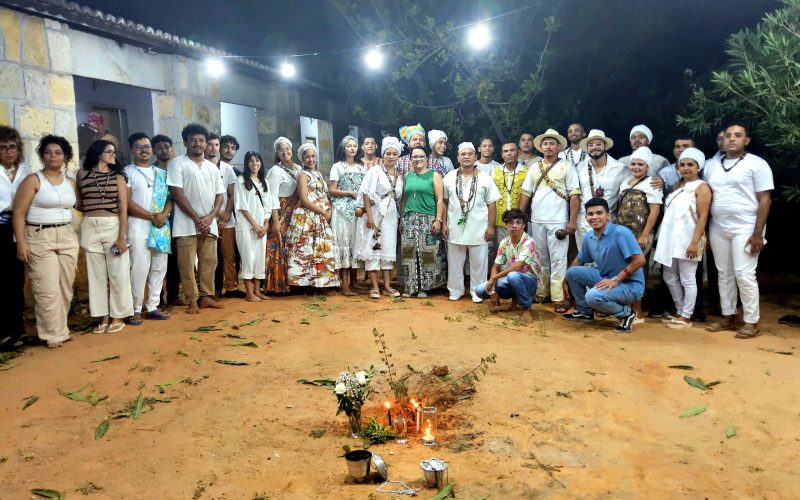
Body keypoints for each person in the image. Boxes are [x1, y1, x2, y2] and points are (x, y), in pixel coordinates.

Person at [704, 123, 773, 339]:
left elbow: (765, 199)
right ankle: (728, 316)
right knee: (724, 274)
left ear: (747, 140)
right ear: (721, 140)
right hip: (718, 227)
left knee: (744, 274)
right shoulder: (711, 165)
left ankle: (751, 321)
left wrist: (757, 233)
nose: (732, 139)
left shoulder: (757, 164)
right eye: (727, 136)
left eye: (737, 135)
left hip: (746, 227)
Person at [13, 135, 79, 348]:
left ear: (65, 156)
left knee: (65, 286)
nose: (53, 156)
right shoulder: (33, 180)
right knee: (46, 287)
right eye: (48, 152)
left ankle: (61, 328)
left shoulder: (70, 182)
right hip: (40, 237)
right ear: (42, 156)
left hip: (67, 235)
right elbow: (19, 213)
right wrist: (21, 243)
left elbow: (80, 206)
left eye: (58, 152)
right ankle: (52, 333)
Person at [518, 129, 580, 312]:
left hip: (558, 220)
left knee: (558, 259)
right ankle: (541, 291)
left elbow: (574, 195)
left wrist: (572, 221)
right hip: (537, 220)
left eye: (552, 143)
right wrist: (520, 218)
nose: (548, 146)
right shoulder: (535, 167)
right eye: (545, 143)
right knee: (540, 258)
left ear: (559, 146)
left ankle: (559, 297)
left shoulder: (567, 166)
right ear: (541, 147)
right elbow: (526, 193)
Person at [563, 198, 646, 333]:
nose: (594, 217)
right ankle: (584, 312)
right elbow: (580, 259)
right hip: (605, 277)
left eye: (599, 213)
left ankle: (626, 314)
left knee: (592, 296)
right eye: (590, 214)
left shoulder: (621, 232)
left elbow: (640, 260)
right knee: (572, 272)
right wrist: (566, 279)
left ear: (608, 215)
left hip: (629, 285)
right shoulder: (589, 236)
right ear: (586, 217)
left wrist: (615, 280)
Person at [167, 123, 225, 314]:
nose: (197, 144)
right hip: (185, 224)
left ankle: (206, 297)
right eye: (193, 140)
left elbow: (220, 195)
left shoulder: (212, 167)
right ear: (185, 142)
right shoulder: (177, 163)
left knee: (209, 262)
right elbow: (177, 193)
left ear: (206, 143)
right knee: (186, 263)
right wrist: (197, 218)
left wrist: (209, 218)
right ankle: (191, 299)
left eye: (201, 140)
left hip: (209, 224)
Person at [76, 140, 133, 333]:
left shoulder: (118, 177)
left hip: (112, 225)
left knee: (118, 273)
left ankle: (119, 315)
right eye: (109, 151)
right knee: (96, 275)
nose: (113, 155)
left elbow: (123, 208)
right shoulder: (81, 174)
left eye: (114, 152)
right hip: (89, 226)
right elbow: (79, 202)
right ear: (98, 152)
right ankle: (103, 316)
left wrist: (121, 237)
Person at [654, 148, 712, 329]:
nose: (686, 168)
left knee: (688, 278)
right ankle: (679, 310)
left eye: (690, 165)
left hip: (688, 238)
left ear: (698, 167)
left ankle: (687, 316)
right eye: (683, 165)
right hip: (670, 238)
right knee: (669, 277)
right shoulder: (677, 187)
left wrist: (694, 242)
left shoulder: (702, 187)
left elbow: (703, 216)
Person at [442, 142, 501, 302]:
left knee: (479, 263)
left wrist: (490, 226)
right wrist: (444, 223)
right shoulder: (449, 177)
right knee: (454, 262)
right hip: (455, 226)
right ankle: (455, 290)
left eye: (470, 154)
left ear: (475, 157)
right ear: (458, 157)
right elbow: (444, 202)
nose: (466, 156)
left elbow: (492, 203)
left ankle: (477, 291)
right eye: (463, 154)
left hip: (479, 227)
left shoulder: (485, 177)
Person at [124, 133, 172, 325]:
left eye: (146, 146)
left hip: (161, 225)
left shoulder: (161, 173)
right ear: (132, 150)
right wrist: (151, 216)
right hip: (138, 225)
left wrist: (164, 214)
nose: (144, 150)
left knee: (159, 266)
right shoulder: (127, 172)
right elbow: (126, 202)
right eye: (138, 146)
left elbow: (170, 198)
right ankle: (135, 308)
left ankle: (153, 306)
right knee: (139, 267)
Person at [616, 146, 663, 321]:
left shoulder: (652, 184)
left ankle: (638, 310)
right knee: (623, 268)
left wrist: (645, 234)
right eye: (633, 164)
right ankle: (625, 308)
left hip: (640, 234)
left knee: (638, 270)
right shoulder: (625, 183)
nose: (636, 167)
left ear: (647, 167)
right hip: (622, 233)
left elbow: (655, 211)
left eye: (640, 165)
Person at [285, 143, 340, 289]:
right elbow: (304, 199)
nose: (311, 159)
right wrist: (323, 212)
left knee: (321, 249)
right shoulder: (302, 175)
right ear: (302, 159)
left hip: (322, 216)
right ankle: (306, 284)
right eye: (307, 157)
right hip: (308, 216)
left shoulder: (318, 173)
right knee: (307, 248)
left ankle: (321, 282)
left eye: (313, 156)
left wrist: (329, 209)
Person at [474, 208, 542, 321]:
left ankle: (527, 308)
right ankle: (514, 303)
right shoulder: (504, 242)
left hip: (530, 283)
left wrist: (494, 278)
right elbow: (495, 266)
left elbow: (518, 266)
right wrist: (493, 291)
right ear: (506, 225)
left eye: (518, 222)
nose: (514, 226)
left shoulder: (529, 242)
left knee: (513, 276)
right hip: (512, 280)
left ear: (524, 225)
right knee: (480, 290)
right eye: (510, 222)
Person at [356, 137, 404, 299]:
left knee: (388, 249)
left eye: (394, 153)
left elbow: (400, 199)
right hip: (375, 214)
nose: (391, 156)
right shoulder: (375, 170)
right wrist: (370, 217)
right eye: (388, 153)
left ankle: (388, 286)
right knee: (373, 248)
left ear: (398, 156)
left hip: (391, 217)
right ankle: (374, 286)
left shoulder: (399, 175)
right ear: (383, 154)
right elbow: (366, 194)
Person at [399, 145, 446, 298]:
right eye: (414, 157)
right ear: (410, 159)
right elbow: (404, 200)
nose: (417, 159)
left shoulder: (434, 175)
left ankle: (425, 287)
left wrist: (438, 220)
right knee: (408, 253)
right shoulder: (407, 176)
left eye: (421, 156)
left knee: (428, 254)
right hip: (409, 218)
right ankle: (410, 286)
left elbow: (440, 200)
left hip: (428, 218)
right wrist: (401, 219)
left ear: (426, 159)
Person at [235, 151, 280, 302]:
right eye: (251, 161)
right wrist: (254, 224)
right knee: (248, 257)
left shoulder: (264, 181)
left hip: (262, 226)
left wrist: (266, 223)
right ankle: (249, 292)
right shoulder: (241, 180)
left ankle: (257, 290)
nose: (255, 164)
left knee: (260, 258)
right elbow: (241, 206)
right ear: (247, 164)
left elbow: (268, 205)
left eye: (257, 161)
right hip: (246, 226)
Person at [0, 126, 30, 349]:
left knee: (16, 280)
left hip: (20, 227)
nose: (9, 151)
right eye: (3, 147)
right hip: (0, 227)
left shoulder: (26, 171)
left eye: (12, 147)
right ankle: (3, 332)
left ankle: (17, 331)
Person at [574, 129, 627, 248]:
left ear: (605, 146)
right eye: (590, 145)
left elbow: (635, 182)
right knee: (586, 260)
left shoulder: (620, 168)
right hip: (584, 223)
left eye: (598, 144)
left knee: (606, 261)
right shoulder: (580, 167)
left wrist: (658, 181)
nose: (594, 148)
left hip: (608, 224)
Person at [206, 133, 242, 299]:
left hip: (228, 220)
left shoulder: (227, 169)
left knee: (229, 256)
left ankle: (231, 286)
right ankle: (211, 289)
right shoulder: (200, 167)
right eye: (210, 145)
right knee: (210, 257)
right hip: (207, 218)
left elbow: (233, 194)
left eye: (215, 145)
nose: (213, 148)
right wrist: (220, 214)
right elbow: (204, 196)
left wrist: (227, 214)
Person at [329, 135, 366, 296]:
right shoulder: (337, 167)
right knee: (344, 243)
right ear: (343, 149)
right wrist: (350, 192)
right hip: (341, 210)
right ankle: (344, 285)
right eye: (349, 146)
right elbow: (332, 190)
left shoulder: (361, 167)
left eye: (354, 146)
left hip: (357, 211)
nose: (352, 148)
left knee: (354, 244)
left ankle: (354, 282)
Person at [264, 137, 301, 293]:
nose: (285, 152)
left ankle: (293, 282)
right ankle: (276, 285)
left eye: (287, 149)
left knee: (292, 246)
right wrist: (276, 220)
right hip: (280, 211)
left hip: (295, 211)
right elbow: (272, 196)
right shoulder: (275, 171)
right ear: (277, 153)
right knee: (278, 245)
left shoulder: (299, 168)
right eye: (280, 150)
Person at [151, 134, 181, 307]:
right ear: (155, 150)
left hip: (177, 218)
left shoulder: (176, 168)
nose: (164, 150)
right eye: (160, 147)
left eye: (166, 147)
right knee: (157, 260)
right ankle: (158, 299)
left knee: (174, 260)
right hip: (158, 220)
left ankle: (174, 296)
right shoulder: (151, 170)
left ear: (171, 149)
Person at [491, 142, 528, 257]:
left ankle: (517, 275)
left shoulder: (526, 171)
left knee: (519, 252)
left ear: (518, 153)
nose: (509, 153)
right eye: (506, 151)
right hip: (499, 220)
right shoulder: (495, 171)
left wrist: (520, 218)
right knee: (500, 252)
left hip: (519, 221)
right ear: (502, 155)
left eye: (512, 150)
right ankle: (502, 275)